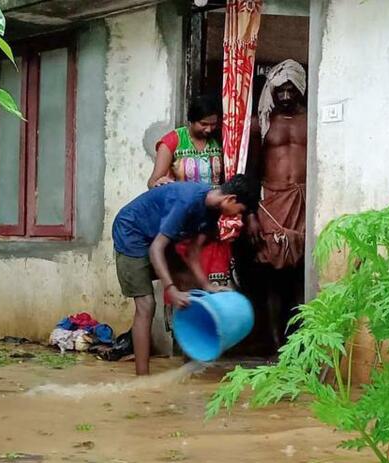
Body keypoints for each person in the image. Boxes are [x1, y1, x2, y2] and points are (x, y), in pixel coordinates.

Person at [112, 175, 260, 376]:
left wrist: (208, 286)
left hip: (156, 235)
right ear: (230, 200)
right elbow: (157, 249)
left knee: (190, 285)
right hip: (131, 233)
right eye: (240, 212)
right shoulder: (187, 201)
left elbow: (192, 253)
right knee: (146, 305)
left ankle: (191, 362)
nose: (239, 218)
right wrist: (170, 289)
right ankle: (142, 378)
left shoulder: (212, 211)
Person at [246, 59, 308, 351]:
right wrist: (250, 214)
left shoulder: (313, 118)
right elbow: (251, 170)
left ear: (300, 89)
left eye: (290, 90)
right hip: (271, 201)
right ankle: (273, 343)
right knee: (271, 274)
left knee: (300, 274)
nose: (284, 96)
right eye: (279, 90)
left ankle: (299, 342)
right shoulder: (262, 123)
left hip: (303, 201)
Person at [148, 95, 239, 291]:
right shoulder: (173, 141)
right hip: (183, 225)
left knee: (218, 285)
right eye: (203, 124)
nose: (209, 129)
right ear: (191, 120)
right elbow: (153, 181)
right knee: (186, 288)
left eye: (213, 124)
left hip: (211, 225)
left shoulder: (221, 141)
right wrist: (161, 183)